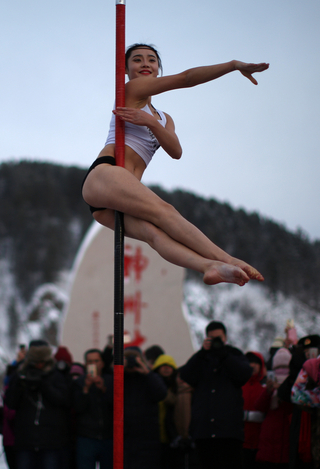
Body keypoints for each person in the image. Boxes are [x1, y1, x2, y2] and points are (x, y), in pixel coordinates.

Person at [80, 43, 268, 287]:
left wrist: (152, 123)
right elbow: (186, 78)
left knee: (154, 234)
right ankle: (226, 258)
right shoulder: (131, 90)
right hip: (106, 174)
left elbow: (176, 151)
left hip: (111, 200)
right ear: (126, 70)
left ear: (158, 68)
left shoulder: (164, 118)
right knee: (165, 211)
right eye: (137, 60)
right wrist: (232, 66)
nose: (145, 64)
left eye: (152, 60)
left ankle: (210, 266)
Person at [178, 321, 258, 469]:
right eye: (212, 338)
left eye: (219, 338)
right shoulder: (201, 358)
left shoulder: (234, 355)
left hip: (228, 430)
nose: (216, 342)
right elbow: (186, 374)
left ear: (225, 336)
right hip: (205, 431)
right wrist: (201, 352)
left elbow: (244, 374)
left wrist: (223, 354)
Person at [4, 341, 70, 469]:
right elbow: (10, 402)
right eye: (36, 362)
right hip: (26, 436)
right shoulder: (21, 375)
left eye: (42, 362)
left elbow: (64, 401)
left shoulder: (56, 376)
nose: (39, 366)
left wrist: (44, 385)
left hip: (51, 437)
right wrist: (22, 384)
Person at [73, 348, 113, 469]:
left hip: (107, 437)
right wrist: (86, 389)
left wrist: (104, 389)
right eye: (90, 362)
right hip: (86, 437)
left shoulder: (110, 381)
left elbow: (117, 406)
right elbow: (75, 409)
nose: (93, 365)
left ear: (102, 363)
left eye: (96, 361)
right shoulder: (79, 383)